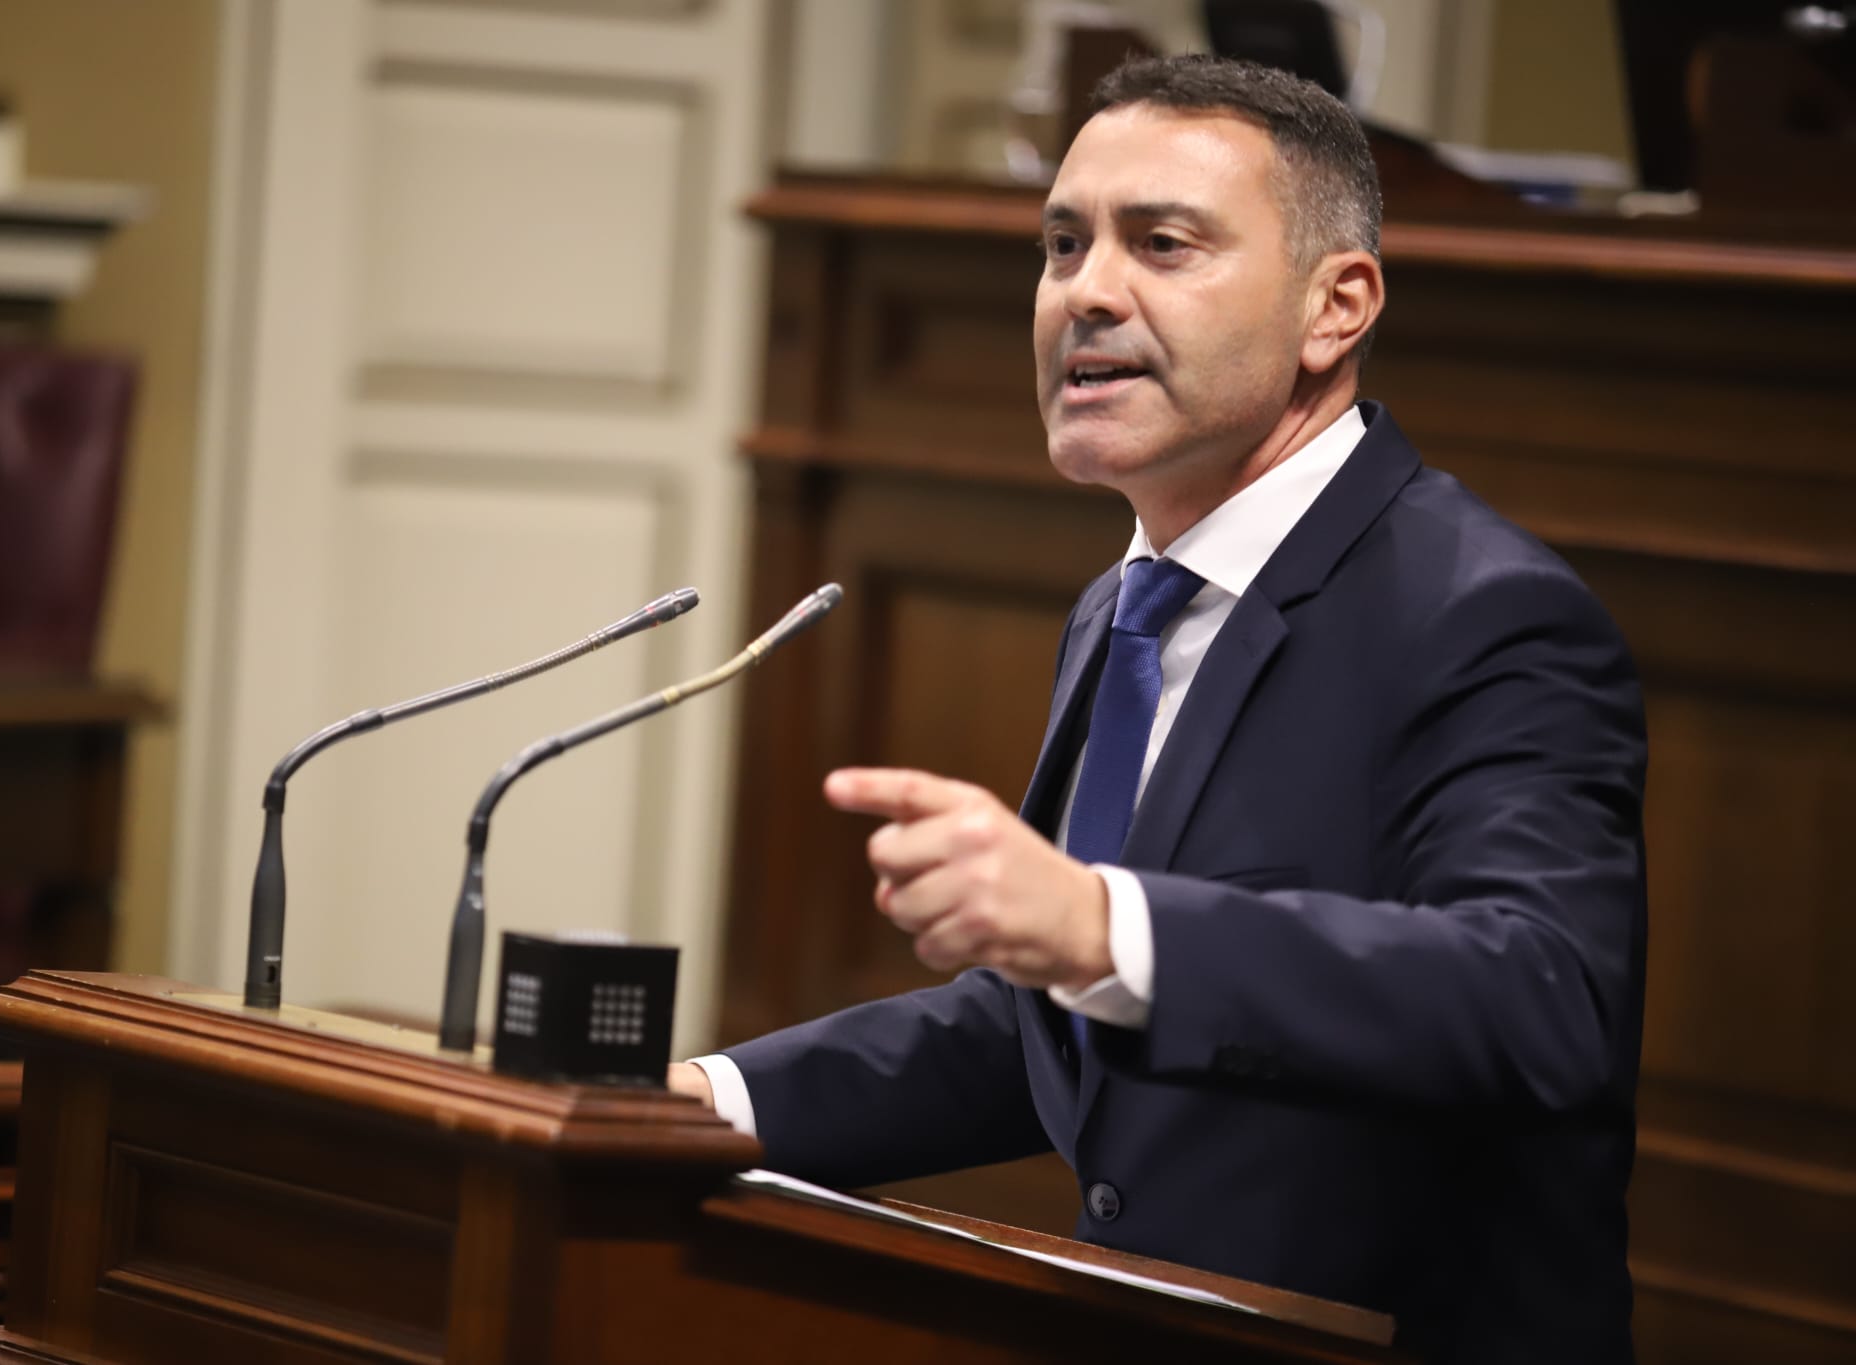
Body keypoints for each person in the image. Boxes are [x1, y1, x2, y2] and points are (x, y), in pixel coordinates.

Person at [671, 54, 1647, 1364]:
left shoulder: (1481, 609)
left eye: (1163, 243)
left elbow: (1539, 1001)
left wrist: (1091, 920)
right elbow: (1065, 1012)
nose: (1088, 293)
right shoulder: (1130, 605)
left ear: (1334, 306)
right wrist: (701, 1102)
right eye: (1063, 244)